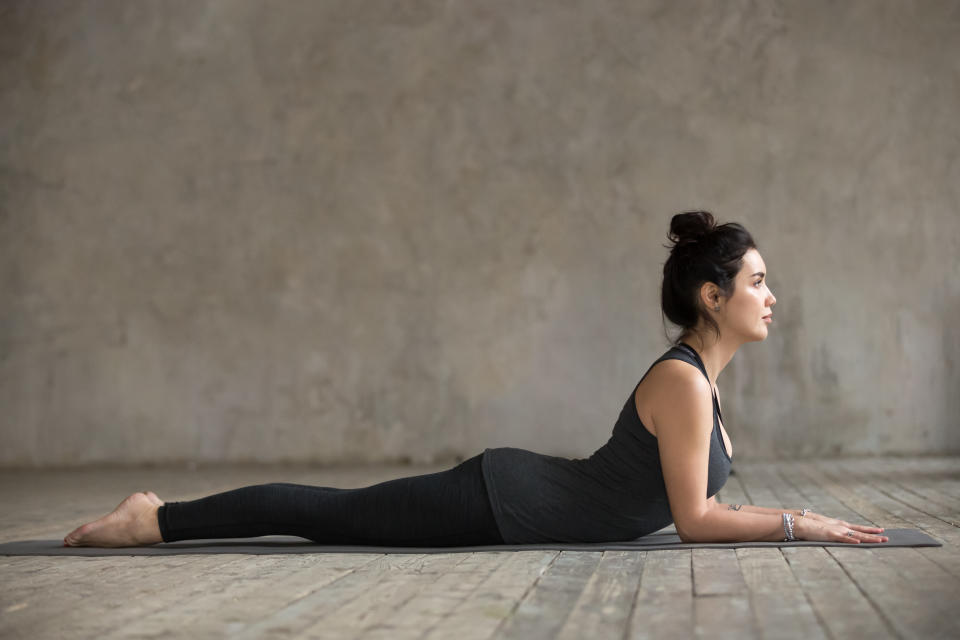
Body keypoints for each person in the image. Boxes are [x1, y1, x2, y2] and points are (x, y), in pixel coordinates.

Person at [64, 211, 888, 547]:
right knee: (330, 514)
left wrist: (797, 518)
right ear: (713, 297)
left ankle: (158, 517)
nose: (773, 296)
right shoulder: (681, 382)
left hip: (519, 498)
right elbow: (696, 519)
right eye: (757, 282)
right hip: (501, 499)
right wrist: (801, 523)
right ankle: (157, 518)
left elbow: (689, 509)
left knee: (333, 515)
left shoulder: (701, 383)